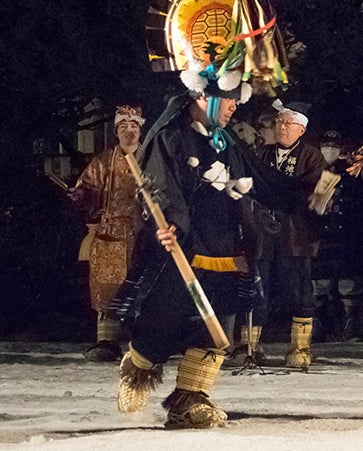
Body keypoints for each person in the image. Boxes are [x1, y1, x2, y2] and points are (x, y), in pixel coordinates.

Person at [114, 57, 307, 428]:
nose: (235, 107)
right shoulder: (170, 136)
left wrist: (303, 194)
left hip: (226, 244)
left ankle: (191, 398)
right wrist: (167, 223)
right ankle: (138, 367)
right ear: (205, 96)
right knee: (164, 317)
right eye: (230, 99)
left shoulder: (226, 140)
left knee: (220, 320)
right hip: (183, 243)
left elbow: (257, 177)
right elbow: (158, 187)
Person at [240, 100, 326, 370]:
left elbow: (312, 191)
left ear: (301, 128)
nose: (282, 127)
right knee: (258, 286)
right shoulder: (263, 154)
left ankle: (300, 348)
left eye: (288, 123)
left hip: (295, 232)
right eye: (279, 122)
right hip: (263, 231)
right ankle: (250, 346)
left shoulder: (312, 157)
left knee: (298, 289)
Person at [69, 105, 145, 362]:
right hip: (110, 232)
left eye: (133, 126)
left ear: (140, 129)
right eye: (123, 127)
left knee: (144, 287)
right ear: (116, 131)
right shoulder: (104, 161)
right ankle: (107, 341)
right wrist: (79, 195)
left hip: (144, 232)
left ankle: (144, 343)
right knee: (107, 287)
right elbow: (86, 187)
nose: (129, 131)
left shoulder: (150, 157)